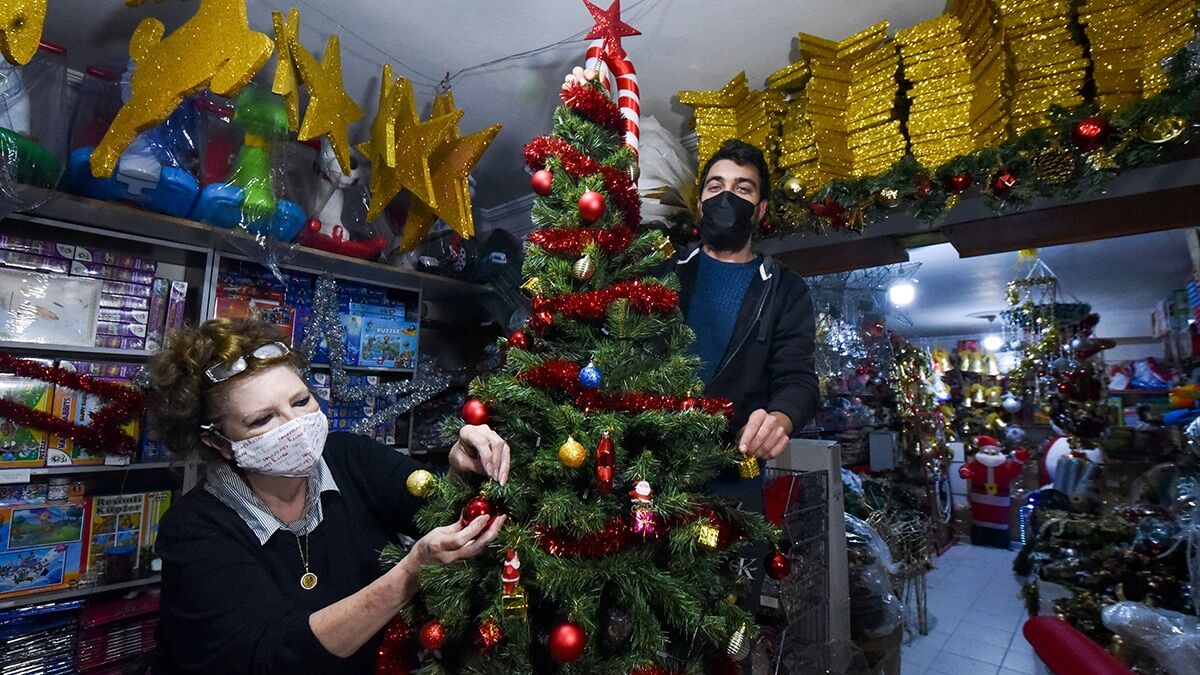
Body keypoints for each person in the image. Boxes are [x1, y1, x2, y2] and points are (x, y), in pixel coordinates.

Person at [145, 318, 511, 674]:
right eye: (262, 420)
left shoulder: (350, 457)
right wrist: (410, 572)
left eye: (301, 401)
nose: (296, 425)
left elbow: (434, 513)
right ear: (218, 443)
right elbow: (275, 656)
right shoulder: (193, 531)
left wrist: (459, 470)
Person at [680, 138, 820, 463]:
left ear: (760, 209)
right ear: (700, 204)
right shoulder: (663, 272)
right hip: (648, 468)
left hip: (734, 468)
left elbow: (799, 379)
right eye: (716, 187)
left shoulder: (786, 288)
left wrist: (778, 421)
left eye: (743, 189)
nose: (726, 197)